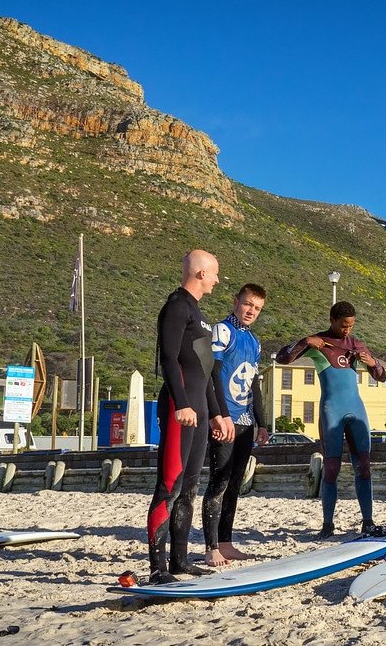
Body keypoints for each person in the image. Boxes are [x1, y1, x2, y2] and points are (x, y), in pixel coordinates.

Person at [146, 250, 234, 585]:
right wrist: (181, 403)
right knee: (170, 484)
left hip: (198, 409)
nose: (217, 279)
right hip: (179, 407)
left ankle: (179, 560)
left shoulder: (197, 313)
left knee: (190, 487)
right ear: (199, 273)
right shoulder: (177, 306)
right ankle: (157, 569)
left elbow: (205, 369)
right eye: (214, 273)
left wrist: (216, 415)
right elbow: (168, 358)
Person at [276, 301, 386, 538]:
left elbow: (380, 376)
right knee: (332, 468)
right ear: (333, 320)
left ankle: (367, 521)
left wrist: (373, 363)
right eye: (344, 325)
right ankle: (327, 524)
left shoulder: (357, 345)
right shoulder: (318, 342)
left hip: (356, 409)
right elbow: (282, 358)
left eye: (351, 325)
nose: (347, 329)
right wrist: (305, 342)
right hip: (332, 410)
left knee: (364, 467)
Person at [202, 284, 270, 566]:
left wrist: (262, 422)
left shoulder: (254, 342)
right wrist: (218, 414)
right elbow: (212, 372)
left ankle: (226, 541)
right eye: (247, 304)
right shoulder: (222, 330)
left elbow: (253, 382)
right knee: (219, 481)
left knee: (234, 483)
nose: (251, 311)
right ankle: (211, 547)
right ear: (235, 302)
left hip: (244, 419)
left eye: (257, 308)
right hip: (224, 417)